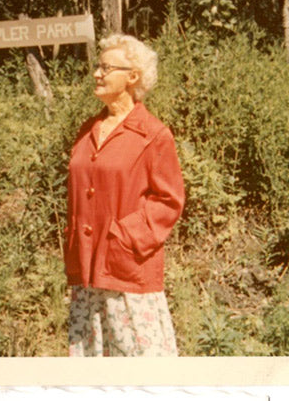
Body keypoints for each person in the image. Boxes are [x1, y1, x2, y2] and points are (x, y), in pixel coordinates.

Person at [64, 33, 185, 357]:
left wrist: (123, 237)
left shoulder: (154, 135)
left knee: (139, 374)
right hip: (87, 272)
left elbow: (168, 201)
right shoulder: (86, 130)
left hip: (127, 275)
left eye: (106, 67)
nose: (96, 73)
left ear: (133, 77)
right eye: (97, 66)